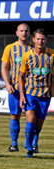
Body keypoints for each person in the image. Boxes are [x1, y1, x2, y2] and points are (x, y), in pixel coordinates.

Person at [19, 28, 54, 157]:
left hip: (46, 94)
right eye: (38, 39)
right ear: (33, 40)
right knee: (31, 119)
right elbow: (21, 76)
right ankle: (29, 148)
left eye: (43, 39)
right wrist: (22, 95)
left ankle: (34, 140)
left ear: (46, 40)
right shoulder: (27, 56)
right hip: (30, 93)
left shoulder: (52, 55)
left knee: (39, 123)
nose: (40, 41)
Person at [1, 23, 33, 152]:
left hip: (31, 89)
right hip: (15, 89)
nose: (24, 33)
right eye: (22, 31)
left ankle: (31, 143)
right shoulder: (9, 48)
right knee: (15, 115)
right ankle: (14, 144)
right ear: (17, 33)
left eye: (26, 31)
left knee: (32, 117)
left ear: (29, 33)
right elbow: (4, 67)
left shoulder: (34, 49)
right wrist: (7, 84)